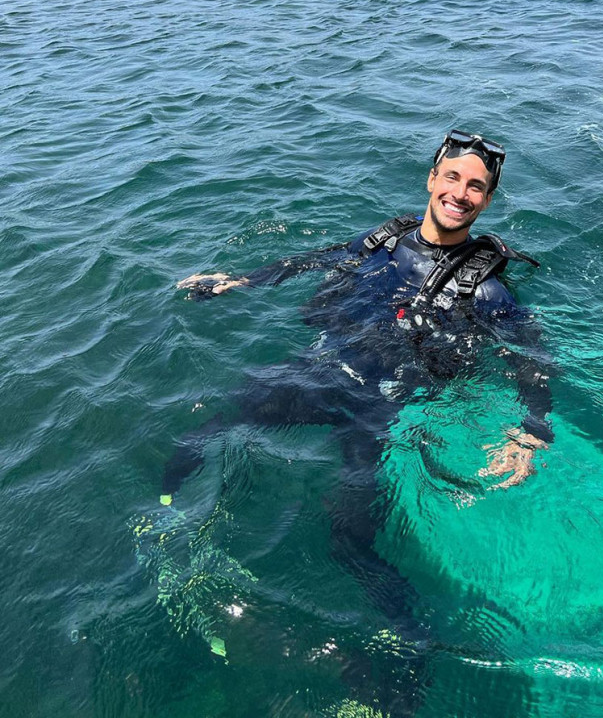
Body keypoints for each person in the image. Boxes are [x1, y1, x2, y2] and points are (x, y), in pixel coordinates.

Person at [167, 130, 553, 711]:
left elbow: (532, 354)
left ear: (487, 202)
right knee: (210, 422)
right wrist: (238, 281)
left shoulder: (489, 289)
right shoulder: (386, 240)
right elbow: (314, 261)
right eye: (452, 177)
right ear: (432, 179)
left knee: (348, 535)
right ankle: (164, 514)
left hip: (378, 408)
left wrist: (532, 429)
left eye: (476, 187)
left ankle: (410, 651)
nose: (460, 193)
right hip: (319, 374)